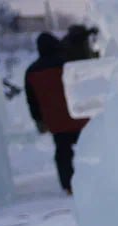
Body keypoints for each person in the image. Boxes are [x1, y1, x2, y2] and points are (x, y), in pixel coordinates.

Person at [24, 33, 89, 195]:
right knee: (88, 147)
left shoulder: (32, 71)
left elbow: (32, 100)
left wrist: (39, 120)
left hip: (56, 121)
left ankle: (69, 186)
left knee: (63, 153)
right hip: (78, 116)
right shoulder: (68, 64)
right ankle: (95, 178)